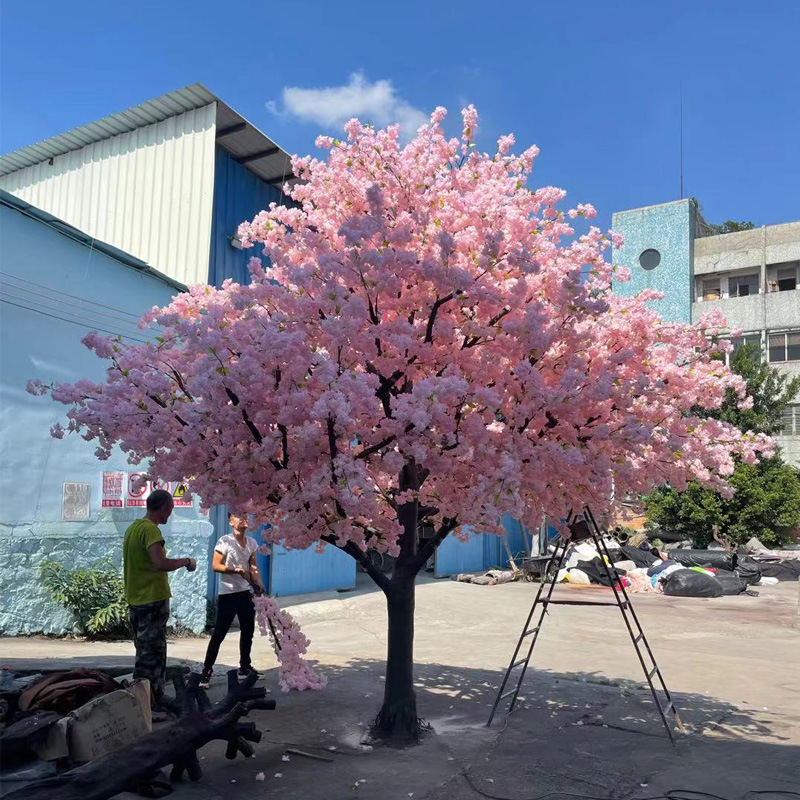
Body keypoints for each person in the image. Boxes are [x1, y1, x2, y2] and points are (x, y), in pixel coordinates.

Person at [123, 489, 196, 704]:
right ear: (163, 507)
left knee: (144, 652)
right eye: (170, 510)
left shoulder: (132, 529)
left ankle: (145, 701)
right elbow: (159, 563)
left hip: (136, 600)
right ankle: (149, 703)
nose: (169, 515)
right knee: (152, 657)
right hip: (152, 600)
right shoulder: (151, 530)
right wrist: (186, 561)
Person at [200, 513, 265, 688]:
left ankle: (244, 667)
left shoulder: (251, 543)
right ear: (231, 521)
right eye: (239, 516)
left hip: (245, 593)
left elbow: (253, 566)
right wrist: (236, 570)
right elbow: (216, 565)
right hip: (227, 594)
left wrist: (259, 583)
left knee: (248, 632)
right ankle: (206, 672)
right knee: (219, 634)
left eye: (246, 516)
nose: (244, 519)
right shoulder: (224, 541)